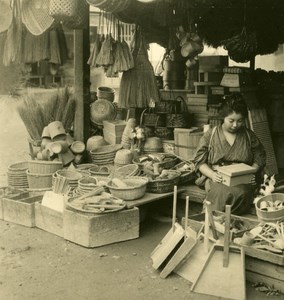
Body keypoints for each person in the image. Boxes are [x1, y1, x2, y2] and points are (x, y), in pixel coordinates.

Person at [192, 93, 266, 215]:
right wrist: (211, 174)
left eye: (240, 121)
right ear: (223, 117)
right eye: (231, 121)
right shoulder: (211, 135)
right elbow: (199, 161)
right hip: (218, 177)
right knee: (220, 190)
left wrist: (252, 172)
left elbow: (260, 156)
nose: (235, 125)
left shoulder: (248, 135)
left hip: (242, 179)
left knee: (242, 191)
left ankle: (223, 219)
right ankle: (213, 219)